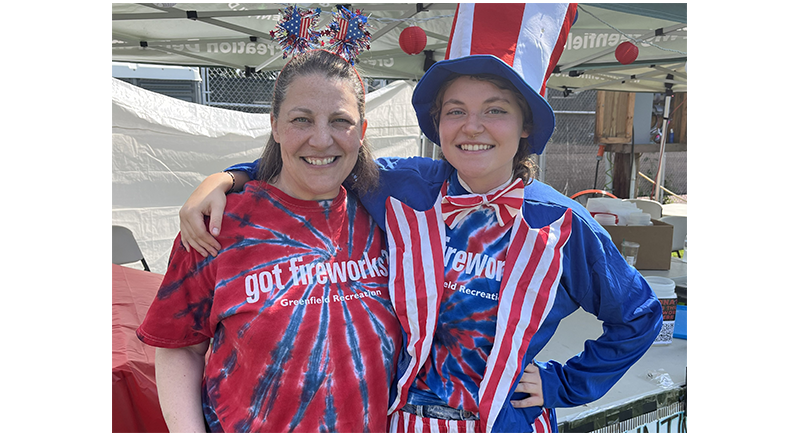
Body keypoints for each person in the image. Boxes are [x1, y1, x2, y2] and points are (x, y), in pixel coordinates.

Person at [177, 6, 662, 433]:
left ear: (526, 126)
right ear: (439, 124)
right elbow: (321, 159)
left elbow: (639, 316)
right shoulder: (405, 187)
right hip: (400, 422)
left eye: (495, 110)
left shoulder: (561, 224)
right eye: (456, 111)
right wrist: (229, 177)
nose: (472, 126)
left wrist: (565, 383)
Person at [136, 50, 404, 433]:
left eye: (340, 121)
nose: (321, 138)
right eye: (302, 120)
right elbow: (180, 347)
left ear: (361, 132)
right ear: (275, 126)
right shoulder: (216, 224)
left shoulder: (389, 218)